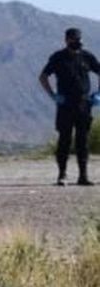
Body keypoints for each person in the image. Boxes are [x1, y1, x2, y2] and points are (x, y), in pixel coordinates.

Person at [39, 27, 100, 186]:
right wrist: (53, 95)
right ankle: (62, 175)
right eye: (73, 39)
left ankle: (83, 176)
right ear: (66, 40)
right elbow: (43, 76)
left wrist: (98, 94)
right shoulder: (58, 58)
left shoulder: (87, 57)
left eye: (79, 39)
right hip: (65, 104)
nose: (77, 42)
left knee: (83, 141)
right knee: (64, 140)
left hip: (84, 104)